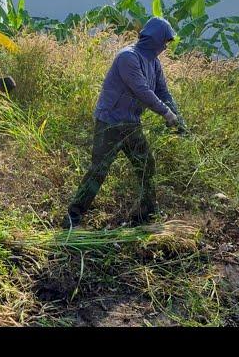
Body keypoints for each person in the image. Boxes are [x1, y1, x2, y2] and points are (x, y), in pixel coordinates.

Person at [63, 17, 186, 229]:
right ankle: (73, 217)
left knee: (146, 164)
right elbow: (142, 90)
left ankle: (146, 211)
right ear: (154, 39)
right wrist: (166, 113)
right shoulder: (127, 57)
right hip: (109, 123)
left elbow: (162, 91)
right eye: (164, 41)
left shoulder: (154, 63)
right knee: (98, 170)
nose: (165, 47)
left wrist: (178, 116)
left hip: (130, 123)